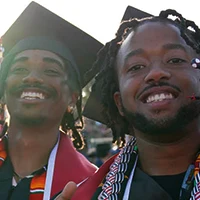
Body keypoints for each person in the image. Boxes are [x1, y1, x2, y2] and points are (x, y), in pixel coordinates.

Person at [56, 5, 200, 200]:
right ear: (119, 103)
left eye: (174, 60)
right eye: (137, 66)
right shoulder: (84, 196)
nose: (156, 73)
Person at [0, 1, 102, 200]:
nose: (32, 78)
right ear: (3, 90)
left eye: (51, 71)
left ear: (73, 98)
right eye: (19, 69)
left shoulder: (95, 189)